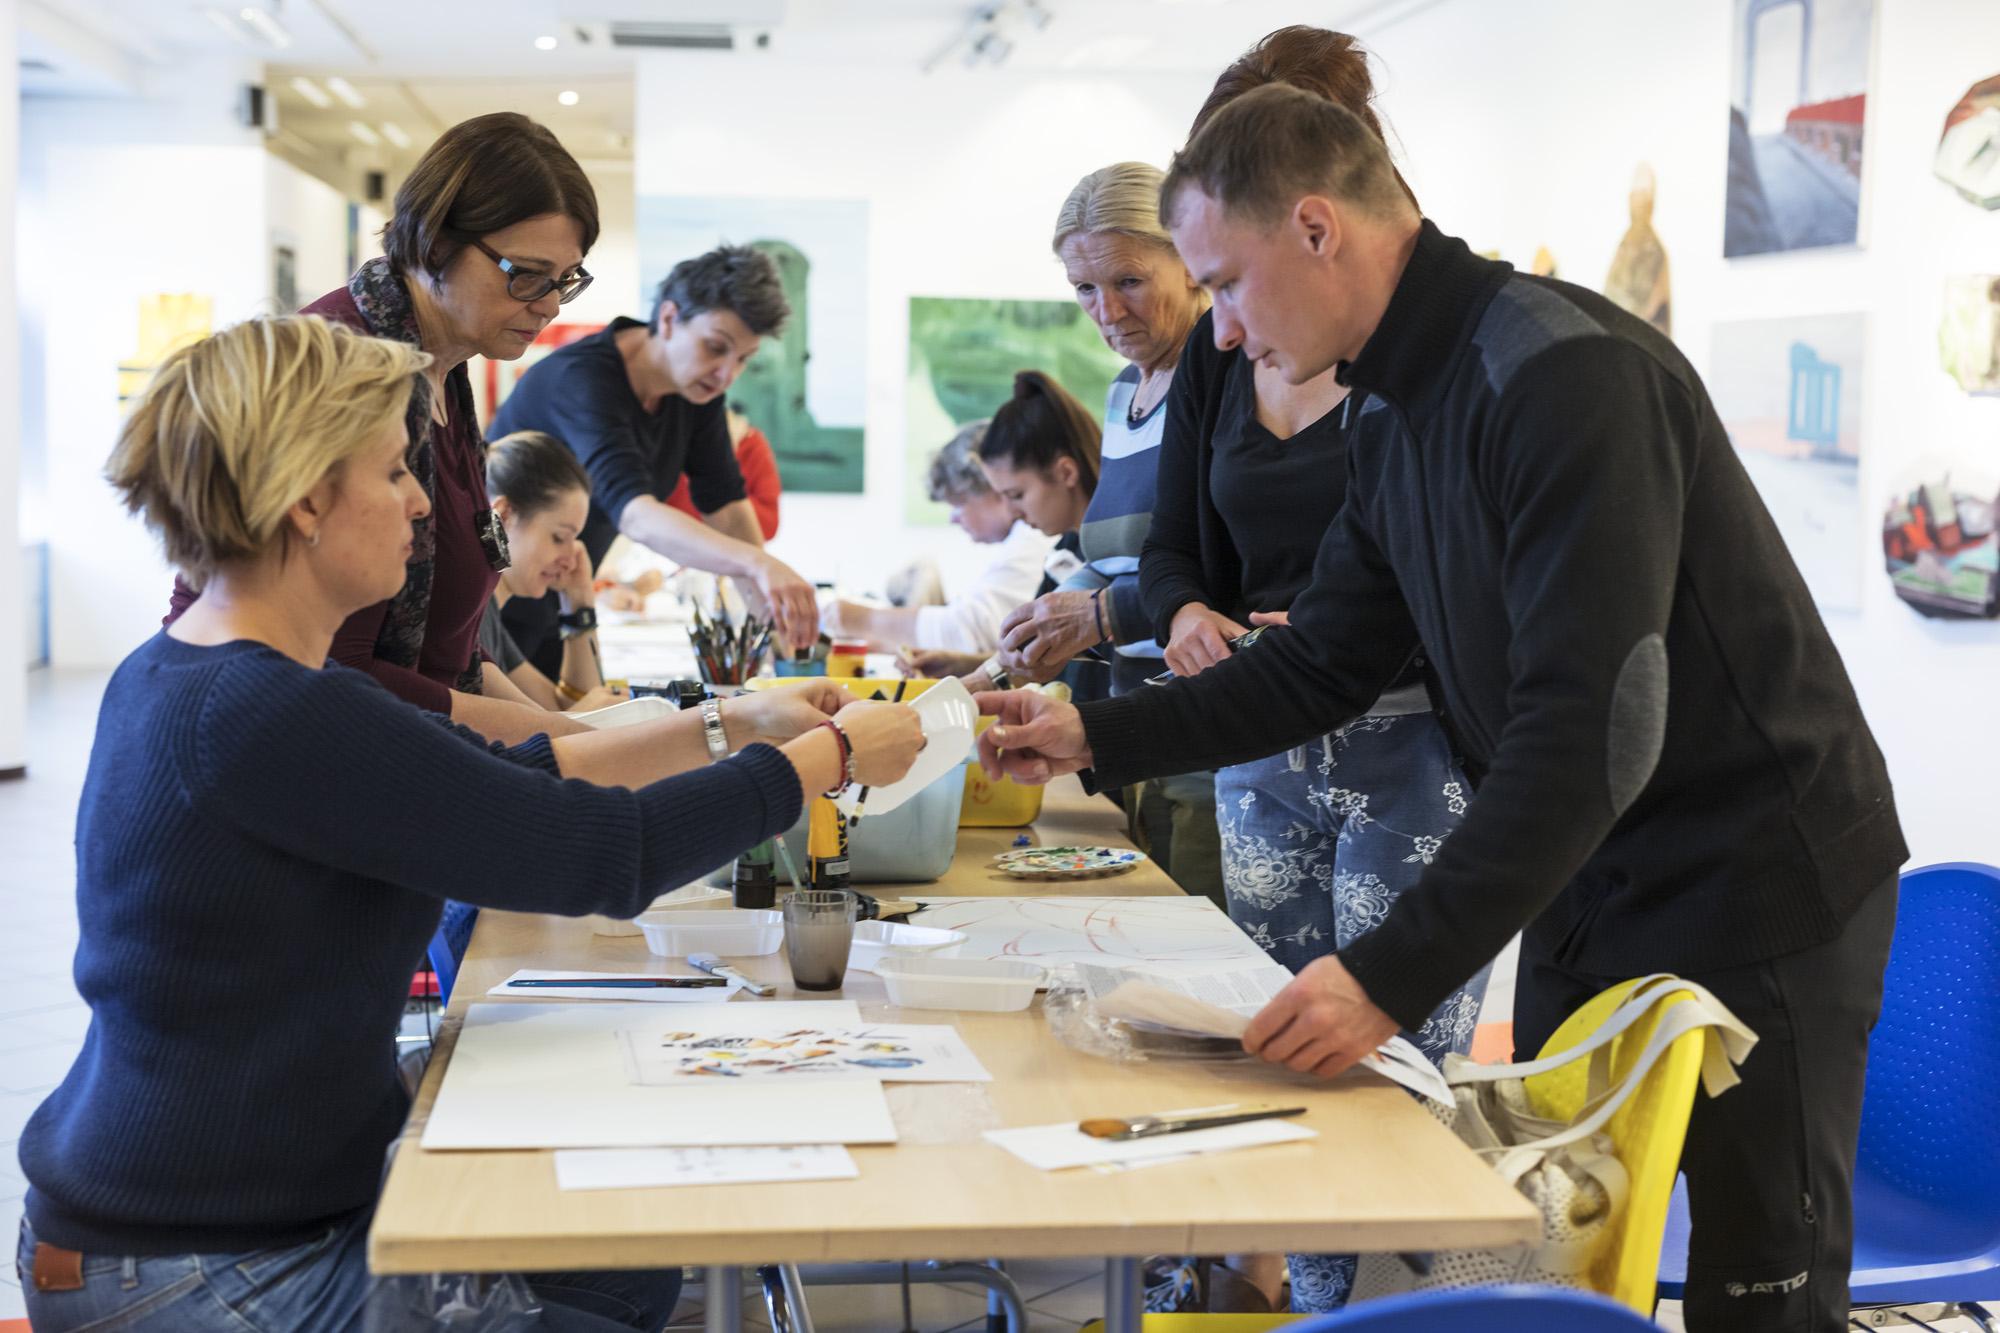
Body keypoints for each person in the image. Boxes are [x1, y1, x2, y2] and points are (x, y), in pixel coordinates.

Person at [976, 83, 1903, 1333]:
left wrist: (1381, 974)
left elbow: (1593, 732)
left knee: (1759, 1295)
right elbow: (1325, 661)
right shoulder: (1393, 405)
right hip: (1591, 877)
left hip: (1752, 879)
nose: (1224, 333)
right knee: (1573, 1266)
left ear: (1315, 228)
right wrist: (1096, 733)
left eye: (1226, 285)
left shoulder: (1562, 374)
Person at [15, 315, 922, 1333]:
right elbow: (599, 853)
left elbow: (511, 777)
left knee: (625, 1274)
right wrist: (827, 759)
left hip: (209, 1216)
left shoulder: (202, 670)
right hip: (196, 1262)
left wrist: (735, 722)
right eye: (392, 471)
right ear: (306, 499)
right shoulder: (269, 710)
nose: (420, 503)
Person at [1140, 29, 1482, 1313]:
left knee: (1395, 1083)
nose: (1223, 319)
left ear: (1314, 199)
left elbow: (1463, 581)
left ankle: (1377, 1313)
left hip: (1414, 751)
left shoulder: (1423, 361)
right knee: (1274, 1065)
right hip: (1262, 745)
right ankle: (1304, 1304)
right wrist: (1183, 610)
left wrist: (1345, 631)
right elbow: (1174, 546)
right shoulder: (1223, 353)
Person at [162, 112, 597, 745]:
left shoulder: (443, 368)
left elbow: (450, 653)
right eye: (526, 274)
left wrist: (560, 734)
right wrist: (561, 741)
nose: (550, 304)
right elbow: (334, 665)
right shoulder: (338, 369)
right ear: (434, 243)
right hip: (274, 738)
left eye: (565, 280)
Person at [994, 162, 1223, 906]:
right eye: (1084, 289)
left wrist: (1096, 615)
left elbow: (1235, 568)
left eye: (1128, 281)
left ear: (1189, 259)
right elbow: (1115, 556)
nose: (1108, 311)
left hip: (1211, 736)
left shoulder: (1227, 375)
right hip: (1135, 730)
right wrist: (1036, 628)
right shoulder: (1127, 390)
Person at [491, 245, 819, 666]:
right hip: (494, 601)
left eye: (743, 359)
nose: (727, 374)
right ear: (667, 318)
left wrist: (772, 628)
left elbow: (727, 505)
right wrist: (757, 565)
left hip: (564, 599)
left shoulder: (695, 392)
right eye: (715, 347)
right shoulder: (585, 381)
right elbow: (637, 515)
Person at [829, 420, 1053, 672]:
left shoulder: (1035, 535)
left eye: (959, 503)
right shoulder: (1023, 539)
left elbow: (971, 632)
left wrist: (859, 619)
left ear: (996, 488)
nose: (953, 518)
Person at [951, 371, 1103, 702]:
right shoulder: (1065, 551)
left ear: (1066, 472)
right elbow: (1033, 655)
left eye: (1017, 495)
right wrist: (960, 666)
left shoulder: (1117, 556)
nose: (1013, 512)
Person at [480, 430, 625, 712]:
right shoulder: (473, 620)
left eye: (575, 539)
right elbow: (568, 723)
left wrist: (579, 602)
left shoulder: (490, 615)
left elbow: (561, 707)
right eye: (559, 537)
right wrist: (584, 716)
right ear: (505, 516)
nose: (571, 560)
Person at [665, 405, 782, 539]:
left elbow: (768, 524)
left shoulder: (751, 443)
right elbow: (661, 512)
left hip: (730, 545)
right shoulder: (674, 440)